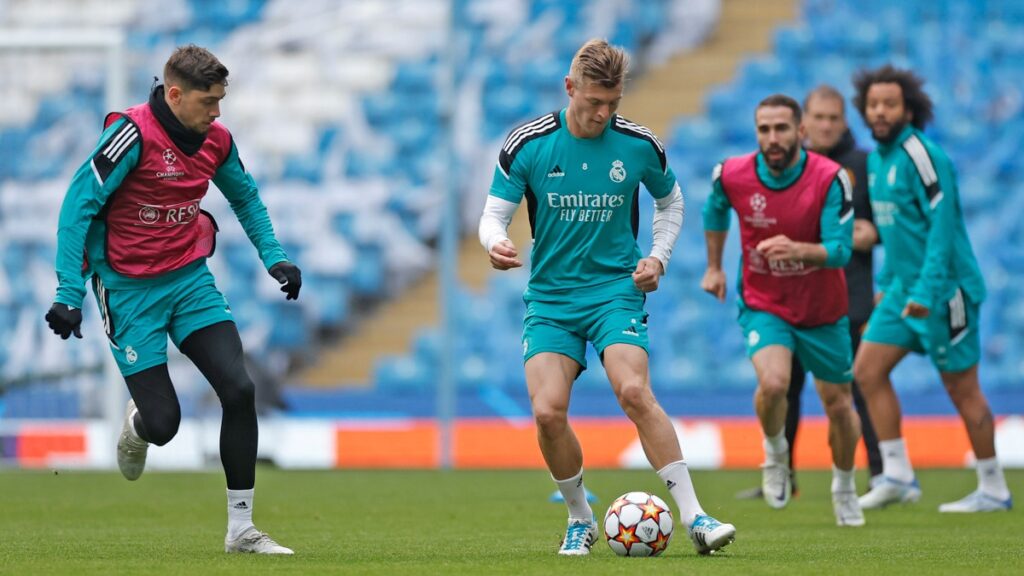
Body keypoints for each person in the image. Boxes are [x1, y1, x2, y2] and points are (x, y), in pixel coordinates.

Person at [479, 38, 736, 556]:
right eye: (594, 101)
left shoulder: (639, 145)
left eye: (613, 103)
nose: (603, 113)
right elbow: (492, 216)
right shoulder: (528, 144)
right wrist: (496, 243)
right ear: (569, 88)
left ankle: (697, 517)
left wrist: (658, 258)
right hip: (551, 299)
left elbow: (672, 202)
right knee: (549, 413)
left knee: (634, 391)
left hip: (614, 291)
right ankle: (580, 519)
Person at [45, 45, 300, 553]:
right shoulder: (129, 137)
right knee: (165, 425)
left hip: (188, 281)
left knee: (239, 389)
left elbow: (245, 196)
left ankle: (241, 530)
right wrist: (67, 292)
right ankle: (139, 425)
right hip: (128, 291)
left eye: (222, 101)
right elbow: (77, 206)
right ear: (176, 94)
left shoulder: (217, 140)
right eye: (209, 101)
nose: (218, 112)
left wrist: (274, 256)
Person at [852, 65, 1012, 512]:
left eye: (889, 104)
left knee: (963, 388)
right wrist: (889, 284)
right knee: (866, 370)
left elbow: (943, 230)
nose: (880, 111)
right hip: (903, 289)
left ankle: (994, 487)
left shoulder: (923, 156)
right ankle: (899, 475)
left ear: (908, 109)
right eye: (873, 104)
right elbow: (895, 229)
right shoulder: (878, 158)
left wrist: (927, 290)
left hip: (945, 293)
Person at [702, 94, 864, 527]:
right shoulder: (733, 173)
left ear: (801, 132)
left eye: (781, 129)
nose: (772, 138)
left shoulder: (830, 178)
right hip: (765, 304)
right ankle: (776, 455)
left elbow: (841, 250)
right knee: (774, 383)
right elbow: (715, 210)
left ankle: (845, 487)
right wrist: (715, 267)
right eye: (764, 129)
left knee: (839, 406)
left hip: (823, 310)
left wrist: (798, 250)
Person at [735, 86, 883, 501]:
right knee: (785, 385)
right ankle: (785, 476)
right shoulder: (785, 168)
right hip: (788, 296)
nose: (825, 125)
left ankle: (879, 475)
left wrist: (870, 234)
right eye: (819, 118)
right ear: (805, 125)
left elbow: (882, 223)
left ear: (845, 122)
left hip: (847, 294)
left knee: (852, 390)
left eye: (833, 118)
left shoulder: (861, 166)